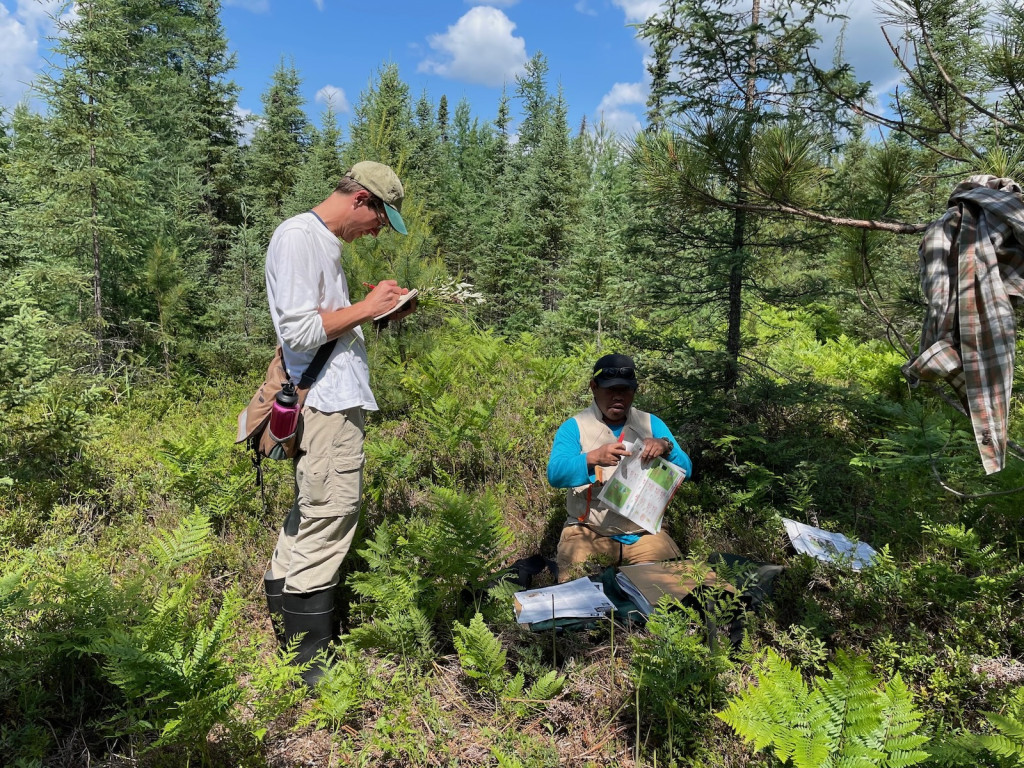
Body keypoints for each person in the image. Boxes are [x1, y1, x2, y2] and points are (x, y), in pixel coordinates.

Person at [261, 161, 416, 686]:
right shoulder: (299, 238)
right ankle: (310, 666)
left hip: (331, 400)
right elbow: (301, 330)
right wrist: (366, 305)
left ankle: (286, 634)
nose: (376, 232)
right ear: (360, 201)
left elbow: (324, 322)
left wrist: (377, 313)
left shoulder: (321, 242)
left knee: (313, 510)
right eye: (378, 220)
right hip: (325, 405)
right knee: (331, 513)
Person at [546, 354, 693, 580]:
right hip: (587, 532)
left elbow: (687, 470)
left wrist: (666, 446)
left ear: (635, 390)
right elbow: (555, 474)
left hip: (644, 534)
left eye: (624, 390)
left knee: (673, 590)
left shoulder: (650, 423)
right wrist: (592, 458)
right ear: (594, 387)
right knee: (575, 590)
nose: (617, 396)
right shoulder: (575, 427)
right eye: (609, 389)